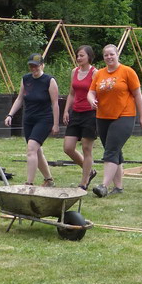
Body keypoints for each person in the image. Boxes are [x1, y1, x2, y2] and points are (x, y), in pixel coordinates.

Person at [87, 44, 142, 197]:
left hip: (124, 116)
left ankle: (103, 186)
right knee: (115, 151)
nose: (109, 57)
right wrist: (91, 99)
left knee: (111, 150)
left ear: (117, 54)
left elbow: (137, 94)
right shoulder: (99, 74)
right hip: (102, 117)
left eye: (111, 54)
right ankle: (118, 187)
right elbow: (91, 92)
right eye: (106, 55)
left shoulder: (127, 72)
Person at [4, 53, 59, 187]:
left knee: (31, 148)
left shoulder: (49, 80)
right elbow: (20, 99)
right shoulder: (26, 79)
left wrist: (56, 124)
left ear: (42, 65)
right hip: (29, 119)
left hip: (44, 119)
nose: (33, 69)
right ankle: (49, 180)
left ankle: (29, 183)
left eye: (36, 66)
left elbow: (55, 104)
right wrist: (10, 114)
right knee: (36, 150)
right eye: (31, 66)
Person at [62, 45, 98, 190]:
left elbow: (96, 93)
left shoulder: (95, 73)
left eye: (82, 55)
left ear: (89, 56)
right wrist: (66, 110)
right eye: (77, 55)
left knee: (86, 148)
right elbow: (72, 93)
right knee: (68, 147)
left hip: (90, 113)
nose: (78, 58)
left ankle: (83, 182)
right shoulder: (74, 71)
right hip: (76, 113)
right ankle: (90, 171)